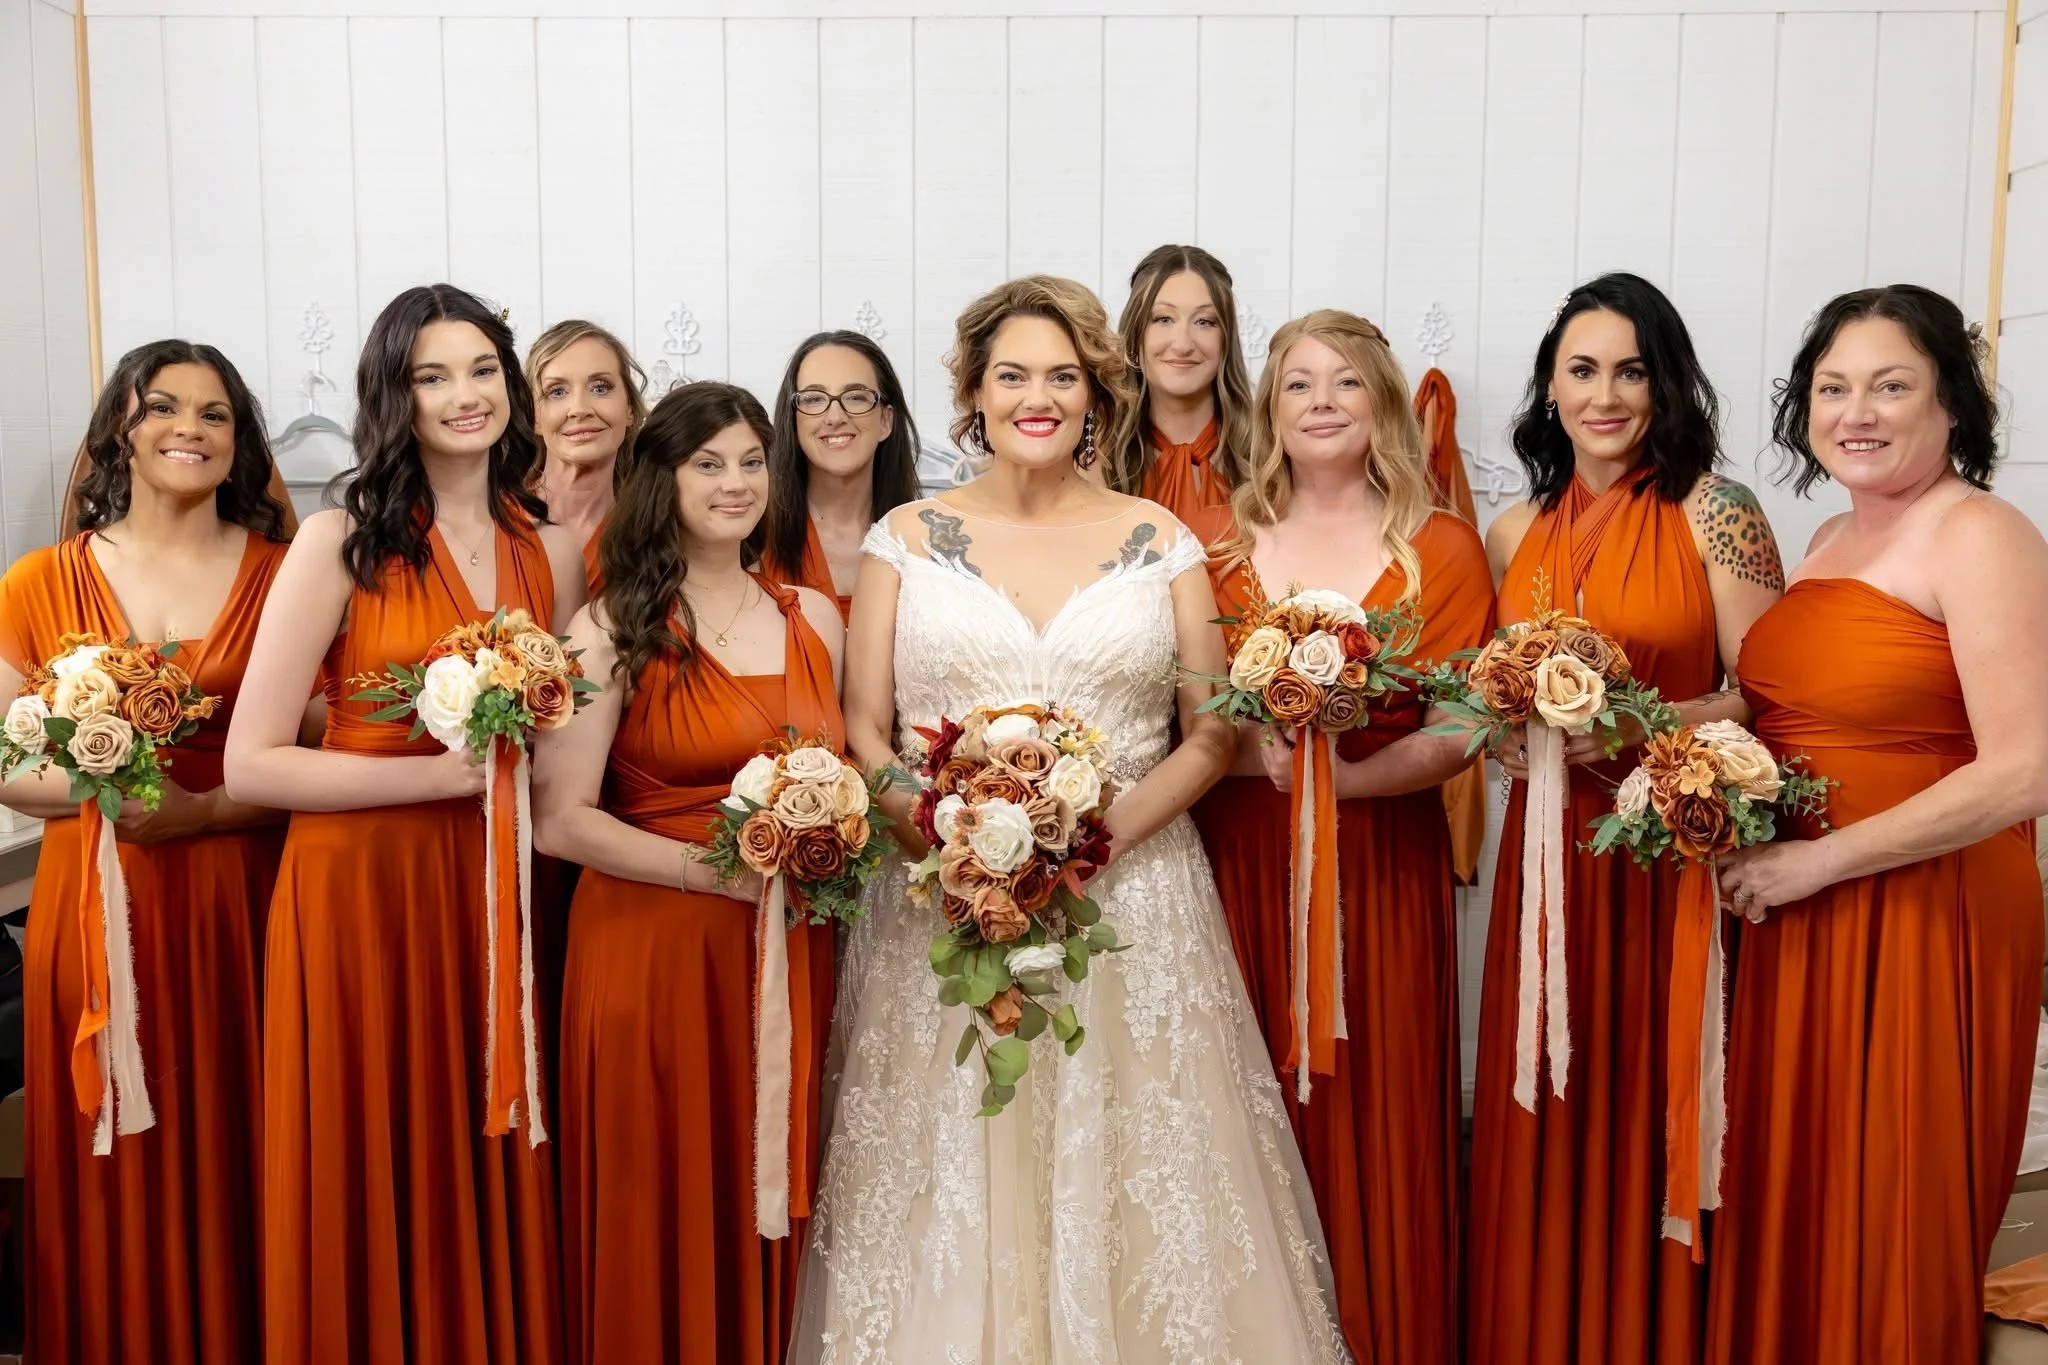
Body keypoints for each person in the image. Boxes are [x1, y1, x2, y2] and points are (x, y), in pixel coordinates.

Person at [791, 274, 1347, 1361]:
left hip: (1130, 901)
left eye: (1061, 375)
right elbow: (866, 731)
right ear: (973, 393)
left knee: (1143, 1176)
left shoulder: (1161, 540)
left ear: (1096, 393)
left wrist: (1090, 843)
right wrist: (955, 852)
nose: (1036, 396)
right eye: (1011, 375)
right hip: (944, 907)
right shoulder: (905, 539)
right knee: (957, 1163)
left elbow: (1209, 731)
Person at [225, 284, 586, 1364]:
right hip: (357, 890)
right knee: (366, 1143)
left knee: (470, 1130)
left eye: (480, 369)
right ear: (396, 393)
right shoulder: (339, 538)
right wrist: (440, 783)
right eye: (433, 375)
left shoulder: (549, 549)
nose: (463, 395)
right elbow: (252, 762)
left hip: (486, 886)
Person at [1707, 285, 2048, 1364]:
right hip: (1798, 909)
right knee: (1804, 1188)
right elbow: (1782, 708)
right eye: (1831, 387)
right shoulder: (1822, 539)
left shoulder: (1979, 532)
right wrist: (1632, 721)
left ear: (1950, 403)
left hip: (1921, 912)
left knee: (1890, 1196)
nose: (1856, 411)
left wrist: (1819, 865)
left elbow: (2028, 768)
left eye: (1890, 385)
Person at [1466, 272, 1784, 1365]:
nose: (1606, 395)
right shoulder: (1512, 528)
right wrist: (1504, 733)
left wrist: (1644, 728)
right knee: (1546, 1085)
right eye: (1582, 370)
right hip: (1544, 855)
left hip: (1667, 849)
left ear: (1666, 380)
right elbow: (1480, 691)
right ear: (1548, 390)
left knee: (1656, 1088)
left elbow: (1771, 687)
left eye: (1632, 370)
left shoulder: (1716, 511)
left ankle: (1656, 1333)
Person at [1188, 308, 1496, 1363]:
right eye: (1297, 386)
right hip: (1236, 860)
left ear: (1382, 404)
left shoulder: (1439, 549)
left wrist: (1345, 779)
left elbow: (1460, 725)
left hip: (1380, 868)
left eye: (1345, 384)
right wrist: (1255, 761)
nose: (1321, 404)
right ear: (1266, 412)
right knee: (1240, 1097)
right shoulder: (1217, 548)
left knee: (1376, 1110)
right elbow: (1177, 722)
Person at [535, 380, 844, 1363]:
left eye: (751, 460)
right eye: (707, 462)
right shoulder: (608, 630)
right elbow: (558, 822)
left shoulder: (815, 619)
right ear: (659, 479)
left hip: (791, 952)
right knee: (661, 1189)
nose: (735, 481)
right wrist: (714, 875)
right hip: (651, 957)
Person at [0, 340, 293, 1365]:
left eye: (215, 414)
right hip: (94, 899)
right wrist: (114, 789)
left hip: (244, 898)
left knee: (242, 1144)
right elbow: (5, 765)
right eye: (163, 407)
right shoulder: (39, 580)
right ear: (119, 429)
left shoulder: (285, 576)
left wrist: (204, 811)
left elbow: (316, 752)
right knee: (111, 1147)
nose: (190, 429)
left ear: (238, 439)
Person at [760, 329, 923, 621]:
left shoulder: (925, 545)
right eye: (813, 399)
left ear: (885, 421)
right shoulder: (752, 540)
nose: (835, 417)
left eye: (856, 397)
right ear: (793, 419)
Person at [1103, 244, 1258, 520]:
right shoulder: (1096, 455)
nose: (1183, 344)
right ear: (1135, 333)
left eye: (1205, 322)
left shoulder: (1267, 453)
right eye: (1163, 319)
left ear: (1227, 340)